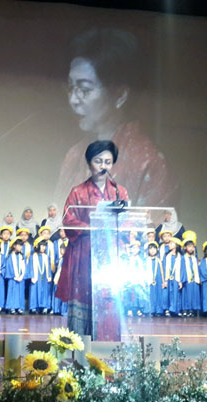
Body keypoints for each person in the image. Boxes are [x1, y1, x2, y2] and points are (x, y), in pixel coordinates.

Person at [54, 28, 176, 211]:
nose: (73, 100)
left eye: (85, 90)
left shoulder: (149, 162)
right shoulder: (74, 155)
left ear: (120, 95)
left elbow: (158, 225)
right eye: (71, 88)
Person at [56, 140, 129, 340]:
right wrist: (91, 227)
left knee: (109, 300)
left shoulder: (119, 192)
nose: (103, 166)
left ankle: (108, 348)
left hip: (110, 256)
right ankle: (79, 348)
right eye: (98, 161)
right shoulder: (77, 191)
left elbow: (127, 221)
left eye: (108, 162)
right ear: (89, 163)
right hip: (84, 254)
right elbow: (68, 220)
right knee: (83, 298)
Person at [28, 237, 52, 314]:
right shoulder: (32, 256)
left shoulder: (46, 256)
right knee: (34, 291)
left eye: (45, 246)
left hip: (44, 277)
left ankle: (44, 307)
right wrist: (31, 276)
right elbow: (30, 267)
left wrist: (49, 275)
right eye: (42, 246)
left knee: (44, 291)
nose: (43, 248)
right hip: (36, 277)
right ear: (37, 246)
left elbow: (48, 267)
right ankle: (33, 307)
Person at [5, 238, 27, 315]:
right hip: (12, 278)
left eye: (21, 246)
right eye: (19, 245)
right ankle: (12, 307)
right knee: (12, 292)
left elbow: (25, 267)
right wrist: (14, 276)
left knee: (20, 292)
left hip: (21, 278)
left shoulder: (22, 256)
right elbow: (9, 267)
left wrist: (21, 276)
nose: (21, 247)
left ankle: (20, 307)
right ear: (14, 246)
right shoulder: (10, 256)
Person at [180, 236, 201, 318]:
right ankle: (185, 310)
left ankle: (192, 310)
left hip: (194, 280)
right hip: (186, 280)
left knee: (193, 295)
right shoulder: (182, 258)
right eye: (189, 246)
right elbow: (181, 269)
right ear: (185, 247)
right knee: (186, 295)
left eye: (192, 246)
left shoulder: (194, 258)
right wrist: (182, 279)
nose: (191, 248)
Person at [161, 237, 182, 317]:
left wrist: (180, 281)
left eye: (171, 243)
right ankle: (167, 309)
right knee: (167, 294)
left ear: (176, 245)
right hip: (168, 278)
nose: (169, 245)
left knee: (176, 294)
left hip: (176, 278)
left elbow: (182, 270)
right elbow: (163, 268)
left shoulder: (180, 257)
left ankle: (176, 310)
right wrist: (164, 280)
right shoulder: (166, 256)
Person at [145, 241, 163, 316]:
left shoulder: (159, 261)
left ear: (157, 250)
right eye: (150, 249)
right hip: (149, 279)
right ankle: (151, 310)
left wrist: (163, 281)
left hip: (158, 280)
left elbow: (162, 272)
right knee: (151, 295)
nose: (152, 250)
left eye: (154, 249)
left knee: (158, 295)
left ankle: (158, 310)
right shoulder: (146, 260)